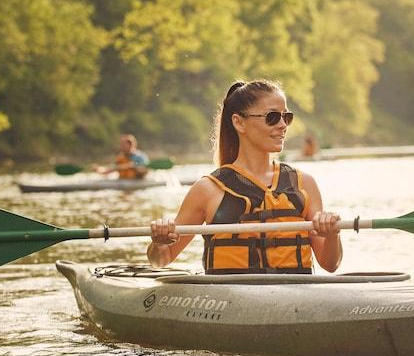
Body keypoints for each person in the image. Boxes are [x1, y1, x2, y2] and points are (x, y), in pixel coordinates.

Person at [147, 79, 342, 274]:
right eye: (272, 117)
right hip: (231, 299)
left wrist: (332, 235)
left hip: (295, 298)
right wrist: (159, 243)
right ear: (239, 122)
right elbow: (160, 261)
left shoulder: (304, 184)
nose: (283, 125)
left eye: (286, 117)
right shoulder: (207, 190)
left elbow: (330, 264)